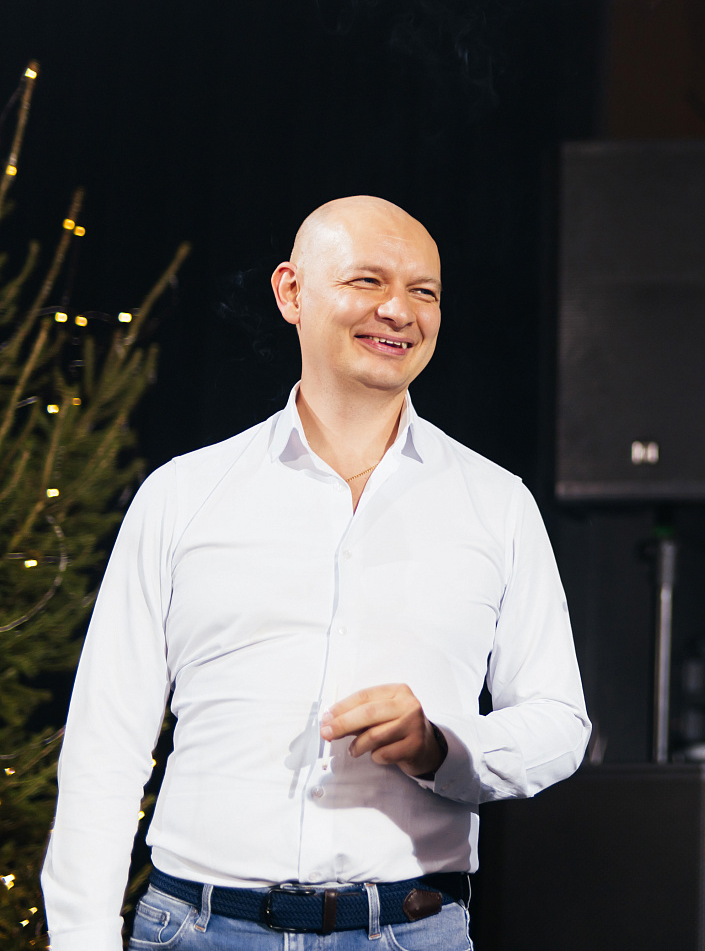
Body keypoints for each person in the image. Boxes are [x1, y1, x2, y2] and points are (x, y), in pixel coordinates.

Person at [42, 196, 589, 950]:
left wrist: (440, 747)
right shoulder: (183, 495)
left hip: (412, 929)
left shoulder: (497, 504)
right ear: (291, 292)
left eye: (424, 291)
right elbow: (105, 742)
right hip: (200, 930)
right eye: (368, 281)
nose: (398, 311)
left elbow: (559, 723)